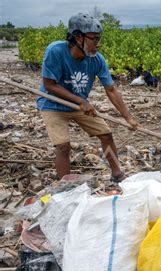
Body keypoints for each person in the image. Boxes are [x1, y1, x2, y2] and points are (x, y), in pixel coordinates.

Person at [36, 13, 138, 182]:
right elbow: (50, 85)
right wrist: (81, 101)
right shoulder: (55, 51)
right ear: (77, 37)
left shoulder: (97, 60)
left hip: (78, 105)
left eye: (99, 39)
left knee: (106, 134)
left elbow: (111, 90)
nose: (97, 44)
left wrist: (128, 117)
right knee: (63, 146)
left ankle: (117, 174)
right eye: (94, 39)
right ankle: (65, 186)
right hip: (52, 103)